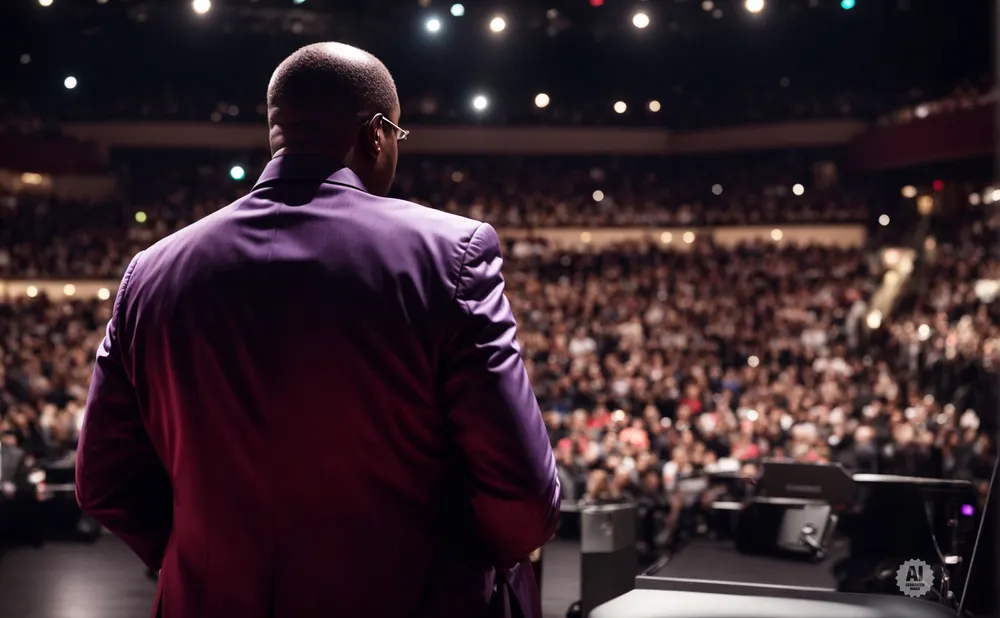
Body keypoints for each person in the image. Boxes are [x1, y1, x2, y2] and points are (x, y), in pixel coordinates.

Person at [76, 42, 559, 618]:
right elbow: (526, 500)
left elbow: (103, 480)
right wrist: (456, 566)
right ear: (376, 134)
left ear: (277, 130)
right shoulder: (452, 254)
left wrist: (206, 556)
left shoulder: (151, 271)